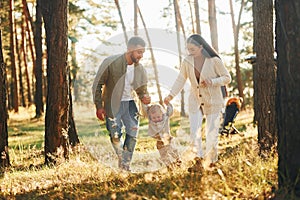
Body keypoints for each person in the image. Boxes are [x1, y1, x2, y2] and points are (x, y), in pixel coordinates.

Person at [164, 34, 231, 171]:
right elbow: (180, 79)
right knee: (194, 132)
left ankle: (211, 161)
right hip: (195, 100)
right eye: (188, 49)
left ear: (201, 47)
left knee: (211, 132)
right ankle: (198, 160)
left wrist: (212, 82)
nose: (190, 52)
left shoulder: (214, 60)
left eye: (193, 49)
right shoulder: (187, 61)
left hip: (213, 100)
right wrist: (171, 95)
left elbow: (227, 78)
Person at [92, 36, 151, 172]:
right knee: (115, 134)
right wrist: (99, 106)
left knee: (132, 134)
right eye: (139, 52)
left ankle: (125, 165)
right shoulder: (110, 62)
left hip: (131, 104)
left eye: (143, 52)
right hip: (113, 105)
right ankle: (122, 160)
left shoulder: (140, 69)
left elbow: (142, 90)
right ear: (130, 49)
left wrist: (144, 98)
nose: (141, 56)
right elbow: (97, 84)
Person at [146, 103, 181, 171]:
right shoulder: (151, 121)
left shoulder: (165, 117)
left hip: (167, 139)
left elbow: (169, 111)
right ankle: (169, 167)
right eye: (154, 118)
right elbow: (145, 110)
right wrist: (145, 104)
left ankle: (178, 161)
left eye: (158, 117)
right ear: (150, 117)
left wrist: (168, 103)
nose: (156, 119)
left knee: (172, 151)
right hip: (159, 142)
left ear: (162, 114)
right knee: (164, 156)